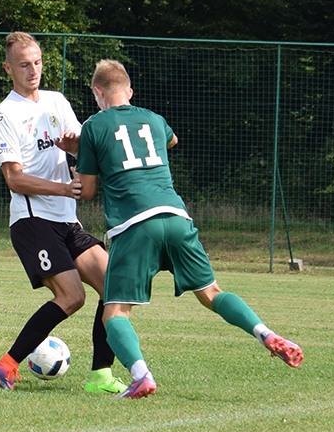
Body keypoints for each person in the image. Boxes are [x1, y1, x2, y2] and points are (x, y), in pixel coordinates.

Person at [76, 59, 304, 399]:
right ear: (130, 91)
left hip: (135, 224)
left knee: (114, 312)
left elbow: (89, 190)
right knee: (212, 294)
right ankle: (265, 334)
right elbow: (172, 140)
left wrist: (80, 155)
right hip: (177, 216)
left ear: (98, 93)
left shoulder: (93, 126)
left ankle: (141, 376)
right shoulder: (154, 119)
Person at [0, 32, 126, 393]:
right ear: (8, 68)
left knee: (115, 287)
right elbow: (14, 179)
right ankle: (6, 365)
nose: (33, 70)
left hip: (68, 220)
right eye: (23, 65)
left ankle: (100, 376)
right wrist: (65, 187)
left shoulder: (56, 101)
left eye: (37, 62)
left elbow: (82, 150)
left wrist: (80, 152)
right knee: (72, 296)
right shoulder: (4, 115)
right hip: (34, 222)